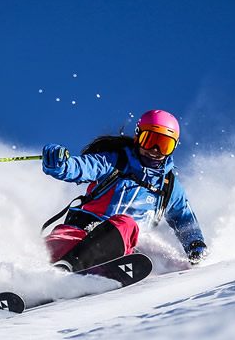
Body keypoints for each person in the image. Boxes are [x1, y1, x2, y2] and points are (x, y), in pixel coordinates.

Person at [41, 109, 207, 272]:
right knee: (43, 252)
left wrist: (195, 244)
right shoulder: (114, 162)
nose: (155, 150)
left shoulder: (169, 186)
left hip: (122, 251)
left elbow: (184, 219)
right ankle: (39, 281)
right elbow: (80, 167)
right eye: (150, 140)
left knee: (126, 224)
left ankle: (68, 270)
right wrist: (58, 164)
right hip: (77, 235)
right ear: (138, 136)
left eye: (164, 145)